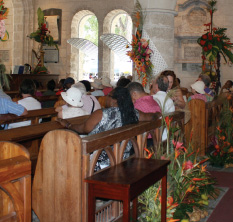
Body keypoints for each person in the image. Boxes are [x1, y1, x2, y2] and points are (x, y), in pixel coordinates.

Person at [57, 87, 161, 170]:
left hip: (99, 161)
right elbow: (151, 117)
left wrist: (68, 125)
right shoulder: (133, 113)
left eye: (109, 96)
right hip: (124, 157)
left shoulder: (101, 114)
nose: (106, 98)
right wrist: (158, 114)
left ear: (114, 100)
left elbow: (84, 128)